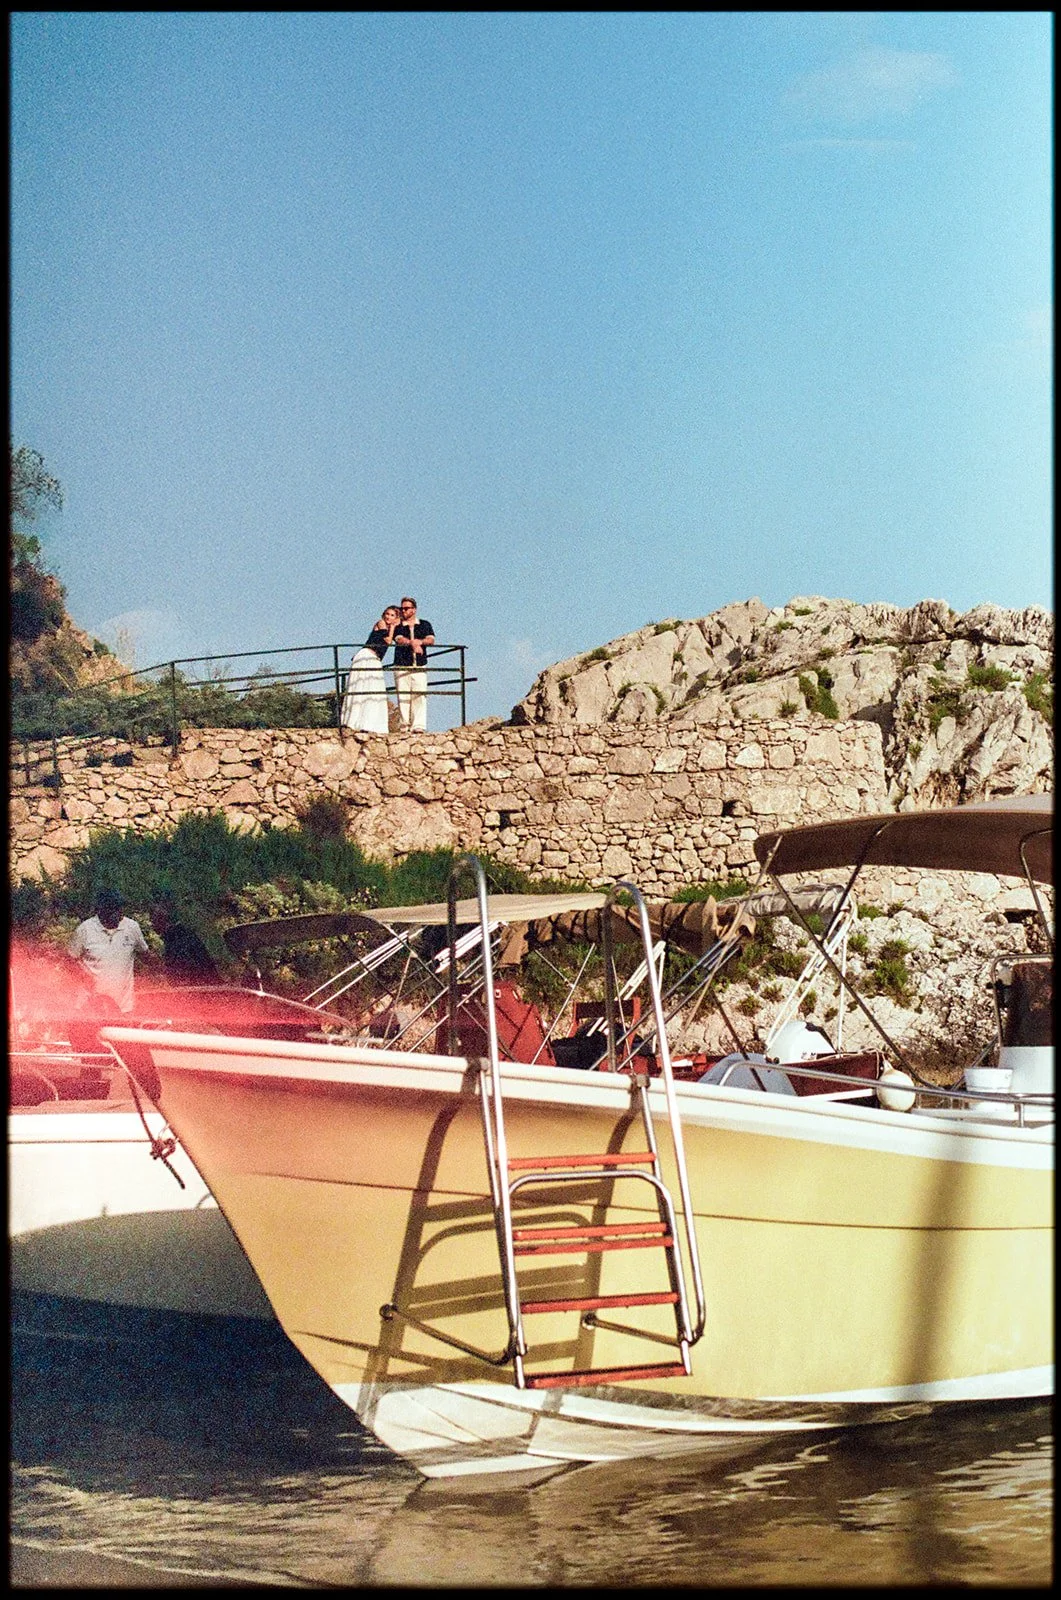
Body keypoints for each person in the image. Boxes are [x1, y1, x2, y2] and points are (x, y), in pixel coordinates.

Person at [67, 888, 149, 1016]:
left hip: (123, 1007)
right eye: (112, 908)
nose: (118, 913)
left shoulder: (132, 928)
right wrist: (83, 973)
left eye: (119, 908)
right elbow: (70, 959)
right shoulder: (85, 929)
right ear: (100, 910)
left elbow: (145, 954)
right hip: (90, 1008)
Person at [340, 605, 400, 733]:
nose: (388, 617)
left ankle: (369, 723)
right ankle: (352, 722)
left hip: (375, 659)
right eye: (387, 614)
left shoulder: (390, 628)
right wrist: (394, 626)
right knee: (361, 686)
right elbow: (388, 640)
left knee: (373, 689)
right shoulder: (381, 623)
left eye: (392, 615)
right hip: (368, 655)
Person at [151, 897, 220, 984]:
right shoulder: (182, 934)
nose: (152, 926)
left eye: (153, 922)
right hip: (205, 984)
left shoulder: (176, 939)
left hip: (196, 987)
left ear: (161, 920)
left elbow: (180, 968)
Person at [392, 596, 435, 731]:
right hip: (402, 663)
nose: (403, 611)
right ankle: (405, 725)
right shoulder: (398, 625)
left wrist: (419, 642)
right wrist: (412, 643)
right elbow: (398, 639)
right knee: (403, 695)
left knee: (419, 694)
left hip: (419, 664)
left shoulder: (424, 624)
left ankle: (418, 725)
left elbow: (431, 639)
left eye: (406, 608)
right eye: (402, 608)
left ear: (414, 609)